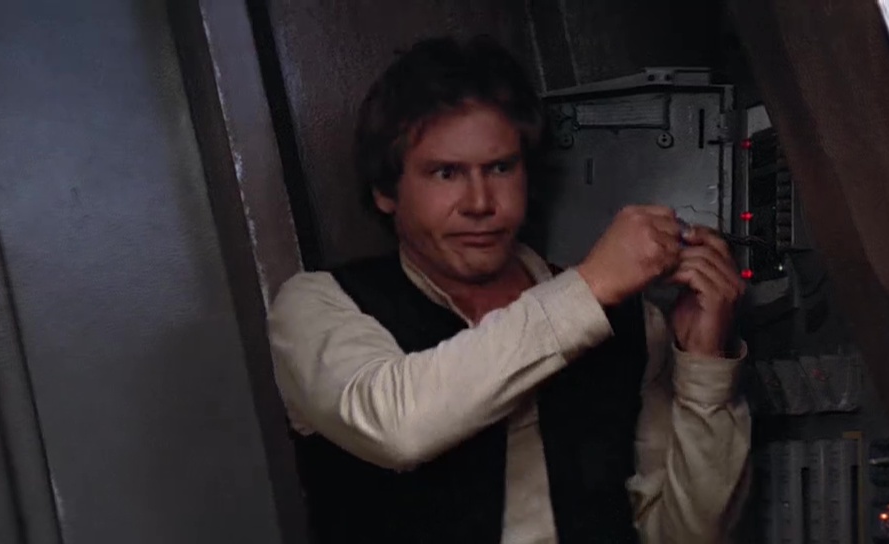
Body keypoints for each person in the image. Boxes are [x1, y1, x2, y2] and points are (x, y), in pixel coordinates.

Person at [269, 35, 750, 544]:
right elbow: (396, 427)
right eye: (446, 173)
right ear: (386, 191)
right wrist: (591, 286)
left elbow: (685, 536)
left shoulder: (634, 323)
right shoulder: (319, 305)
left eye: (500, 168)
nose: (480, 203)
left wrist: (704, 366)